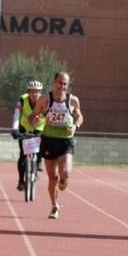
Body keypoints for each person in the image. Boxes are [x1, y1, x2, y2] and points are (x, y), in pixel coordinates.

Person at [30, 72, 83, 219]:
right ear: (54, 82)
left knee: (65, 173)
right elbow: (33, 115)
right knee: (52, 178)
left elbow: (79, 116)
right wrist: (35, 118)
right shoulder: (45, 99)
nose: (62, 86)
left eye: (65, 84)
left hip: (65, 140)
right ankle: (54, 206)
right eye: (60, 83)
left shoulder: (73, 101)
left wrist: (75, 126)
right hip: (48, 140)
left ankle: (64, 179)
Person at [11, 80, 46, 191]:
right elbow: (16, 115)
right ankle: (21, 181)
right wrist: (15, 129)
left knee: (43, 143)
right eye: (31, 92)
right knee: (23, 155)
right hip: (24, 127)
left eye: (36, 92)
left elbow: (49, 114)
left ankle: (39, 161)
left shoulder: (45, 101)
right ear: (28, 92)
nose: (34, 94)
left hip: (39, 128)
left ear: (40, 92)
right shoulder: (22, 100)